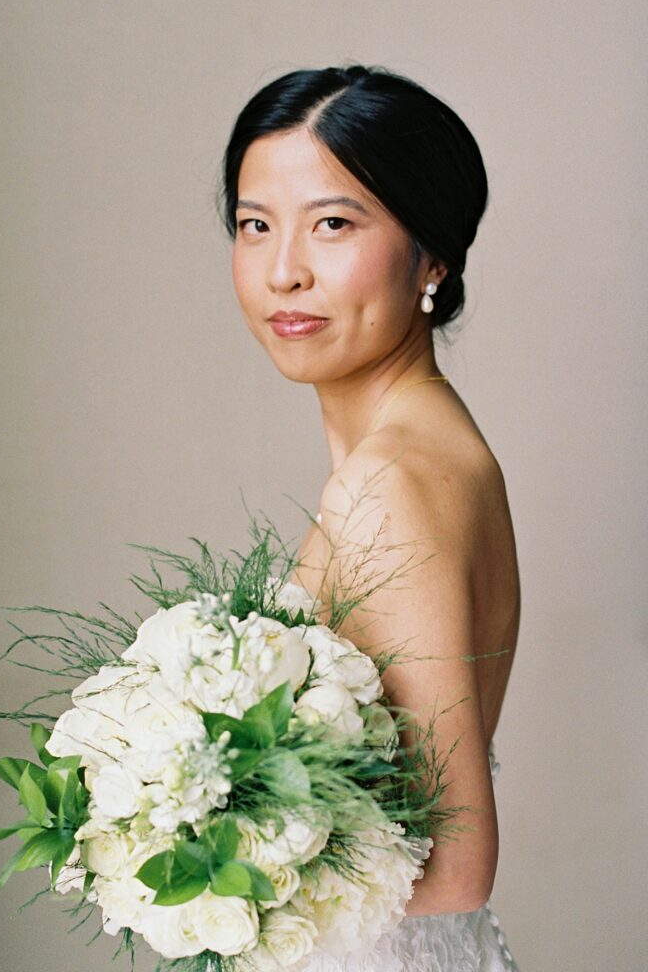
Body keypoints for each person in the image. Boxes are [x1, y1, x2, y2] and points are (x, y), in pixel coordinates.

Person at [220, 65, 520, 970]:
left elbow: (456, 868)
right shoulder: (428, 449)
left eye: (333, 224)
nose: (284, 271)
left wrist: (188, 871)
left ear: (432, 256)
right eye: (255, 225)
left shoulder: (389, 483)